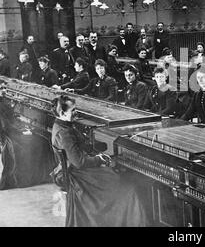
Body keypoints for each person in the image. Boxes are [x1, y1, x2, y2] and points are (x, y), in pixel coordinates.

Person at [50, 95, 146, 226]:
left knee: (114, 175)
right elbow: (79, 162)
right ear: (62, 112)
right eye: (72, 110)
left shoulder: (60, 125)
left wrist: (98, 151)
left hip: (72, 169)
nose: (76, 112)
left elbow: (79, 150)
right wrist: (99, 159)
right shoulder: (65, 133)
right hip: (78, 175)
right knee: (126, 187)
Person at [0, 80, 56, 190]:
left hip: (12, 130)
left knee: (42, 139)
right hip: (8, 135)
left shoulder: (3, 102)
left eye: (5, 88)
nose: (4, 91)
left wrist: (21, 126)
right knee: (42, 141)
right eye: (1, 89)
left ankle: (44, 174)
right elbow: (5, 126)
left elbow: (10, 120)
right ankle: (41, 175)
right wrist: (22, 131)